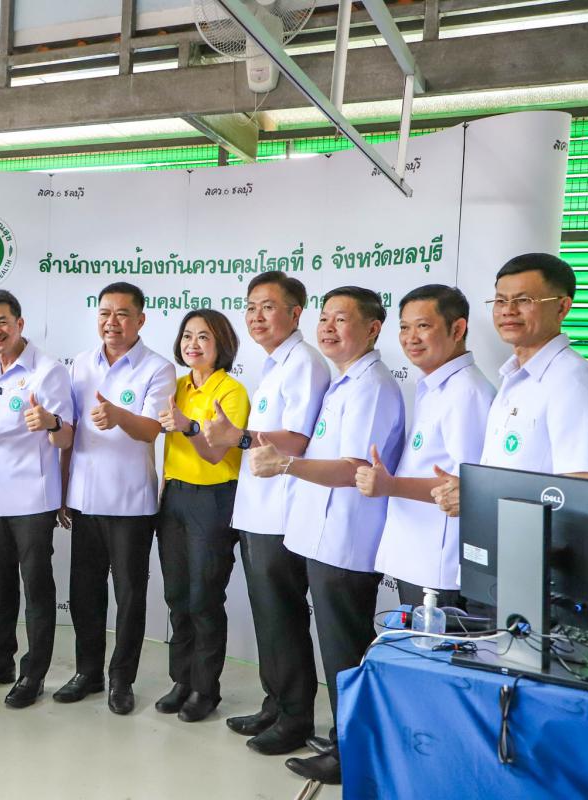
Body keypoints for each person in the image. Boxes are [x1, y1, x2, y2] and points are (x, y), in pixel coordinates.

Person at [249, 285, 405, 785]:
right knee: (337, 649)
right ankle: (343, 738)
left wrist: (286, 464)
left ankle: (351, 752)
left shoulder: (372, 386)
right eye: (324, 318)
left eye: (341, 319)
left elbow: (354, 468)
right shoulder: (345, 382)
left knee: (346, 652)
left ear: (373, 328)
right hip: (323, 536)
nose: (328, 328)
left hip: (346, 539)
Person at [204, 272, 330, 755]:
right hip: (258, 509)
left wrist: (235, 437)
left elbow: (296, 440)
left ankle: (295, 718)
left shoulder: (305, 363)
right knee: (268, 617)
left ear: (296, 313)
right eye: (251, 307)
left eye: (268, 307)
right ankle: (275, 703)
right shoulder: (275, 363)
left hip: (281, 512)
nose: (256, 316)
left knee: (283, 617)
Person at [53, 282, 175, 715]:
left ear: (140, 320)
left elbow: (151, 430)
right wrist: (63, 489)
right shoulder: (80, 364)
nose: (112, 322)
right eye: (105, 313)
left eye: (122, 314)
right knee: (84, 593)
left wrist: (119, 415)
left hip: (130, 502)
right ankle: (87, 673)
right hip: (85, 498)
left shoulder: (158, 368)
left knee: (129, 597)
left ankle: (121, 680)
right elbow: (68, 433)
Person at [0, 289, 74, 709]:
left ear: (19, 323)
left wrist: (51, 421)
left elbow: (67, 437)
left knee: (36, 589)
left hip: (32, 498)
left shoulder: (49, 371)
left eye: (2, 322)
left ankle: (33, 674)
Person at [433, 253, 588, 519]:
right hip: (502, 536)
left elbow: (581, 492)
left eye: (524, 300)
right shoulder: (514, 376)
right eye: (501, 300)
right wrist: (472, 491)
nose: (508, 310)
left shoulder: (575, 381)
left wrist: (478, 495)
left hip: (542, 543)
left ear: (562, 307)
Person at [356, 285, 494, 609]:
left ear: (457, 329)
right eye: (404, 327)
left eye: (423, 326)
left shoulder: (467, 392)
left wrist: (390, 485)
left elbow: (465, 488)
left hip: (439, 568)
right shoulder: (435, 386)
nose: (410, 338)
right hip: (417, 557)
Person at [155, 309, 250, 723]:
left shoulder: (231, 391)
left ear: (222, 344)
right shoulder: (175, 386)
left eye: (204, 337)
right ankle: (182, 679)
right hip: (174, 495)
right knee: (177, 595)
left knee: (204, 597)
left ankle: (205, 689)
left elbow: (215, 454)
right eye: (187, 336)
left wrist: (189, 426)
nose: (192, 344)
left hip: (213, 499)